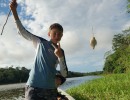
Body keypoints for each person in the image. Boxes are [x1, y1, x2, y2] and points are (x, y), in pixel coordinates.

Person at [9, 0, 68, 100]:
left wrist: (60, 57)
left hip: (51, 89)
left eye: (60, 34)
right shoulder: (40, 42)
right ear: (49, 34)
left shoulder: (61, 51)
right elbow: (22, 31)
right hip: (34, 87)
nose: (57, 36)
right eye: (55, 33)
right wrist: (14, 11)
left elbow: (64, 74)